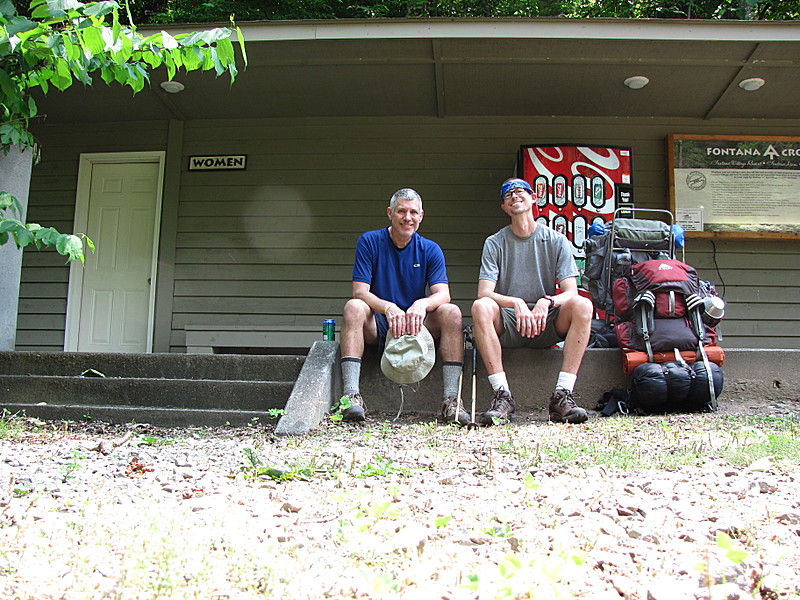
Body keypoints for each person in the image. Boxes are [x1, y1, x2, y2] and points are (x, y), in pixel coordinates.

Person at [339, 188, 468, 424]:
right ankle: (350, 396)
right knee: (354, 307)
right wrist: (388, 307)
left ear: (421, 216)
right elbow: (360, 291)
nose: (407, 217)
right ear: (390, 213)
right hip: (379, 323)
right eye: (401, 211)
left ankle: (451, 400)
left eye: (413, 212)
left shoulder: (430, 249)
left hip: (416, 324)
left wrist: (422, 303)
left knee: (452, 312)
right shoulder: (370, 241)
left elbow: (443, 294)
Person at [471, 178, 594, 425]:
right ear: (504, 207)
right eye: (508, 195)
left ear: (532, 199)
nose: (515, 196)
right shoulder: (494, 242)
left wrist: (546, 302)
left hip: (545, 323)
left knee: (583, 305)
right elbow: (484, 292)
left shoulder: (556, 240)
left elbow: (571, 291)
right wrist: (516, 302)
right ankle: (502, 395)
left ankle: (562, 395)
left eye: (521, 192)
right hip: (508, 324)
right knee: (480, 307)